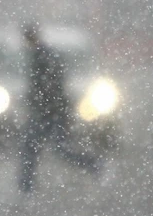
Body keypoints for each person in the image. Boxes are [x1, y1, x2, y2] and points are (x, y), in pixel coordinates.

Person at [18, 22, 100, 193]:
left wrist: (45, 105)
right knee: (45, 148)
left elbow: (51, 88)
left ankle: (93, 164)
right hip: (50, 112)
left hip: (50, 113)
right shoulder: (41, 56)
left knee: (44, 149)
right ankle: (26, 186)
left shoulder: (43, 57)